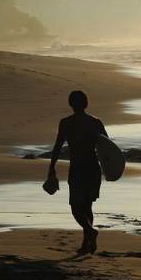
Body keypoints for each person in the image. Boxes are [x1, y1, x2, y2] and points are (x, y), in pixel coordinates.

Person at [46, 90, 106, 255]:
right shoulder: (96, 122)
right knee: (87, 206)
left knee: (75, 207)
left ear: (71, 104)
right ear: (86, 103)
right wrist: (109, 170)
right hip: (93, 168)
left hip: (78, 168)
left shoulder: (66, 123)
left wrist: (52, 167)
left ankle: (90, 233)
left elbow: (58, 146)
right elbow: (107, 148)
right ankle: (88, 243)